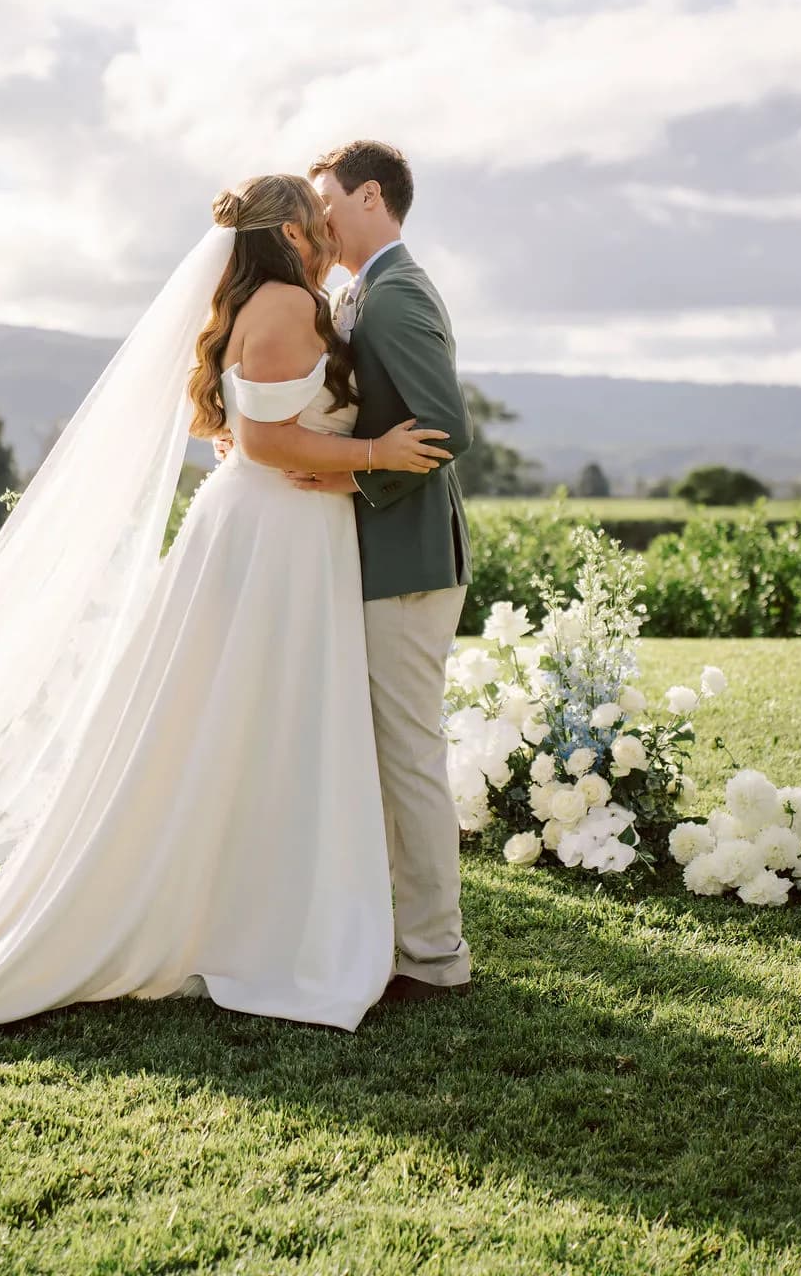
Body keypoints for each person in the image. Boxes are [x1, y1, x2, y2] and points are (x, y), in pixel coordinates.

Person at [0, 173, 453, 1036]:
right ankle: (257, 917)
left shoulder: (269, 299)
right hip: (277, 539)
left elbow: (242, 424)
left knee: (251, 720)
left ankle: (247, 899)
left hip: (283, 531)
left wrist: (322, 451)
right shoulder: (287, 305)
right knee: (262, 713)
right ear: (289, 233)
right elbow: (259, 438)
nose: (326, 230)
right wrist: (373, 451)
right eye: (315, 218)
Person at [295, 140, 474, 1003]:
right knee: (389, 756)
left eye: (328, 199)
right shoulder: (364, 290)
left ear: (371, 196)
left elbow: (444, 432)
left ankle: (436, 958)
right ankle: (396, 937)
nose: (320, 215)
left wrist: (350, 471)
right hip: (387, 557)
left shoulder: (396, 295)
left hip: (408, 565)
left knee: (408, 758)